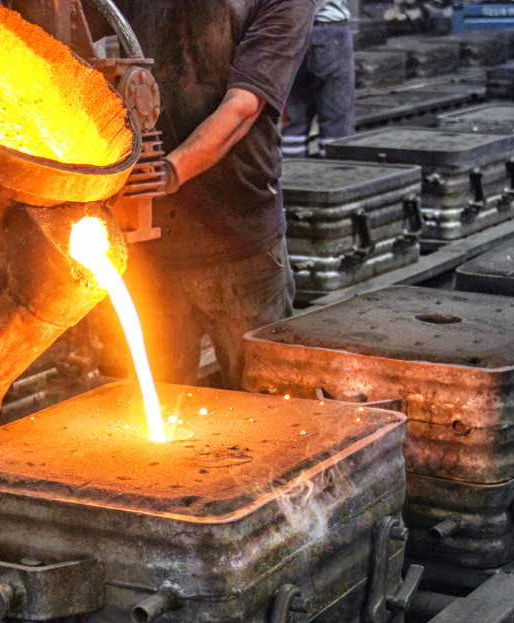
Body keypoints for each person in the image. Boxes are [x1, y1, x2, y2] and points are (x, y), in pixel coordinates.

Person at [105, 0, 314, 390]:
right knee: (153, 414)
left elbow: (244, 106)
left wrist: (168, 171)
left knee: (267, 403)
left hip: (237, 237)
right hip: (151, 243)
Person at [281, 0, 355, 158]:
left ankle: (292, 175)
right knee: (335, 119)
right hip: (330, 31)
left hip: (291, 33)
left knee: (295, 117)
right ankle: (333, 176)